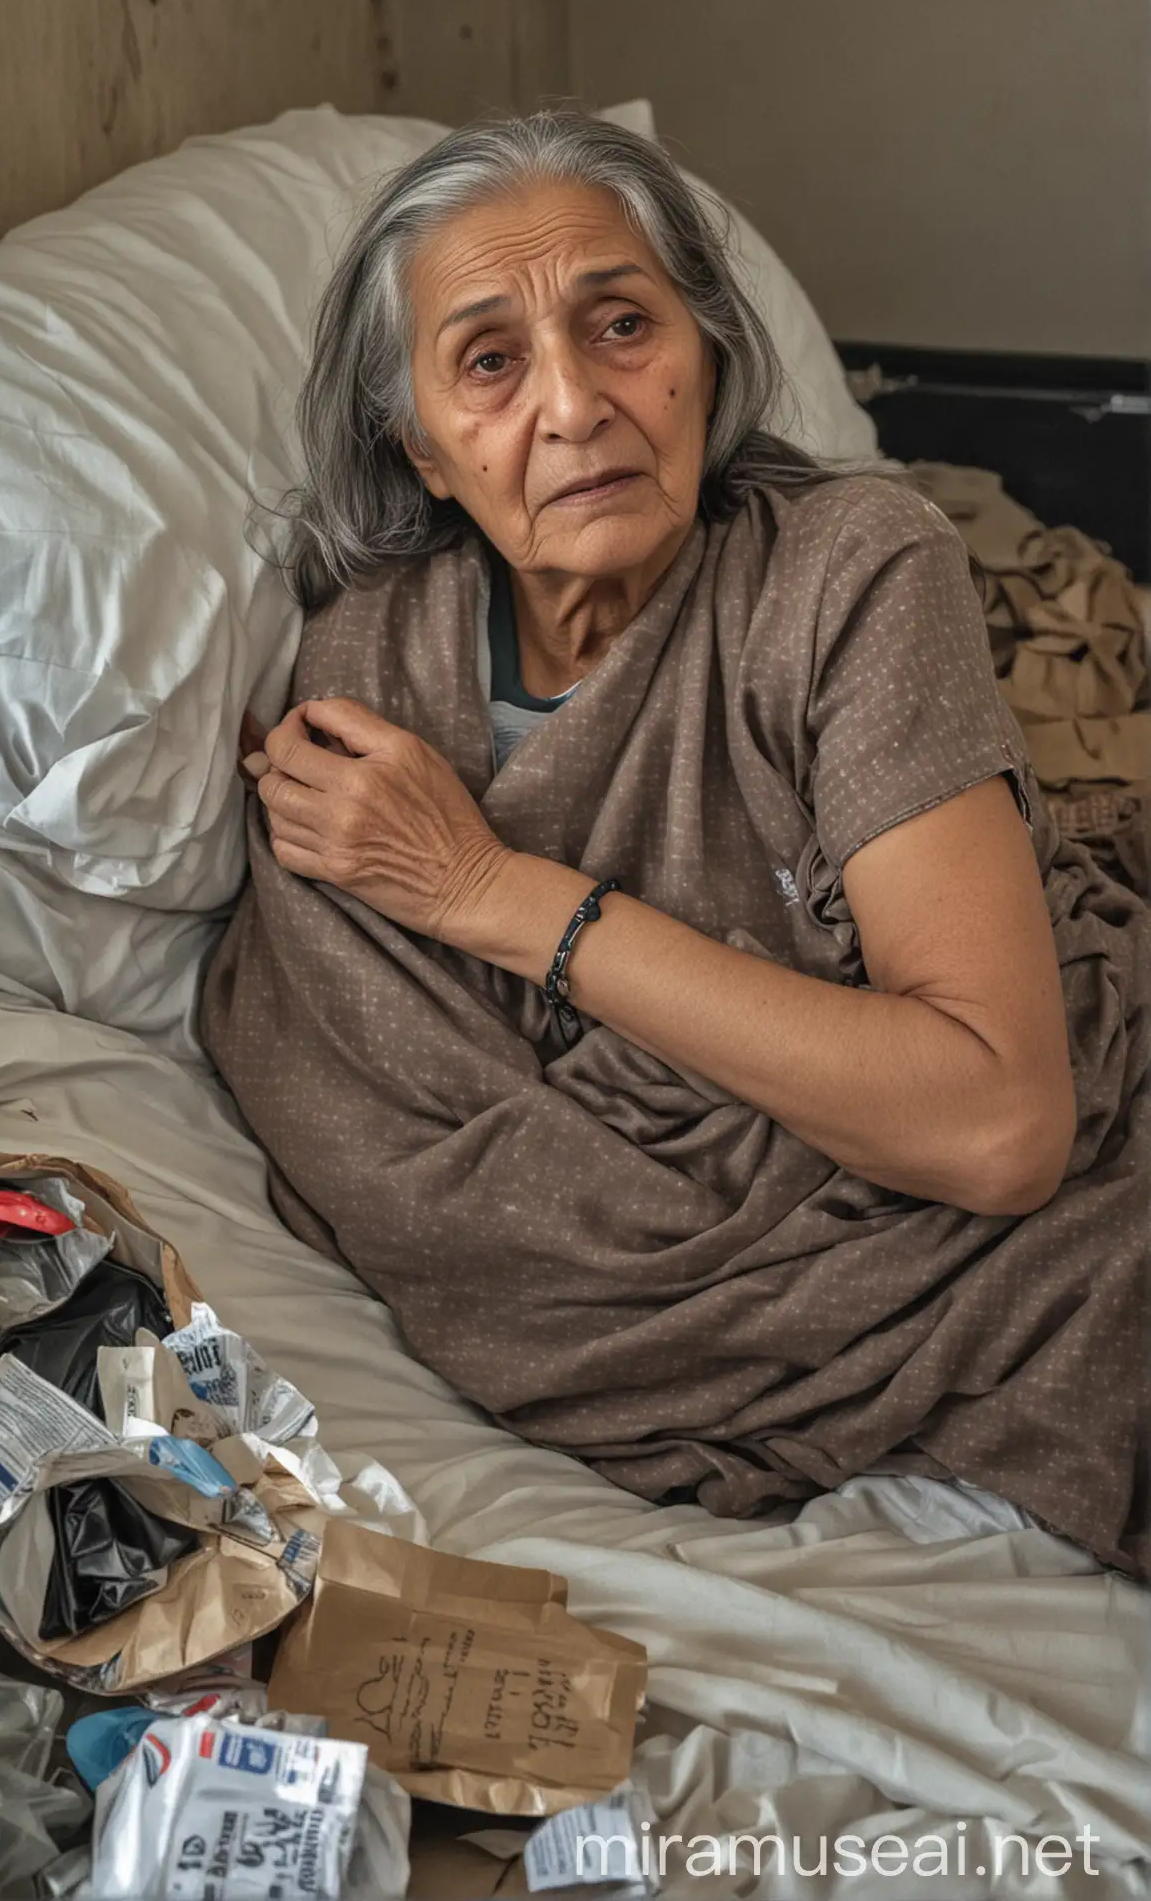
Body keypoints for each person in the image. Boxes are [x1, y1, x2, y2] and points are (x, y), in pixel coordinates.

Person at [204, 110, 1148, 1578]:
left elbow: (999, 1124)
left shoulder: (851, 570)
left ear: (703, 354)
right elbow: (424, 1188)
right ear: (427, 453)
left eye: (622, 324)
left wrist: (492, 896)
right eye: (492, 363)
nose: (576, 406)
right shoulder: (364, 690)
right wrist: (827, 1073)